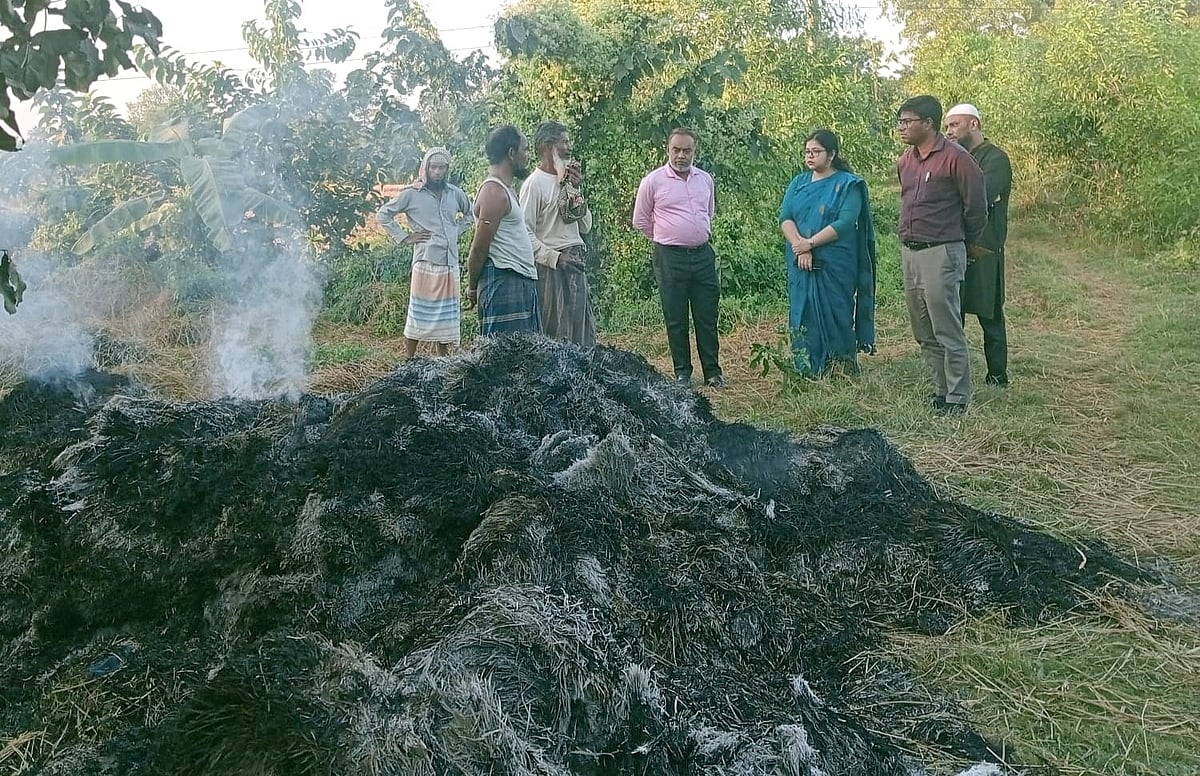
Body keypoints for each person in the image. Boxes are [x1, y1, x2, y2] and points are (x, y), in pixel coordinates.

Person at [896, 95, 988, 416]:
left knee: (947, 326)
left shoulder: (956, 159)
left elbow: (976, 208)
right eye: (901, 122)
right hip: (911, 251)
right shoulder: (905, 161)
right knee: (923, 330)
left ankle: (958, 396)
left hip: (942, 251)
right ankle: (941, 390)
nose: (902, 128)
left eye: (908, 122)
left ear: (928, 124)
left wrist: (961, 244)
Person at [779, 129, 877, 376]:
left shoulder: (847, 184)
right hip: (799, 258)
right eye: (807, 152)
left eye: (816, 152)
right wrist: (799, 246)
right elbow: (786, 217)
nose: (810, 156)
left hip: (835, 261)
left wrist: (810, 243)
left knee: (838, 310)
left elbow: (845, 222)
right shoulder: (799, 183)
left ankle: (839, 367)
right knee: (802, 311)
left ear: (831, 154)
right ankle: (806, 368)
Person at [632, 127, 725, 388]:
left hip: (702, 255)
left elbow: (709, 212)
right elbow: (641, 221)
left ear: (695, 151)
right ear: (668, 149)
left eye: (687, 150)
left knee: (707, 315)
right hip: (669, 257)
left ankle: (713, 372)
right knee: (676, 317)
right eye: (676, 150)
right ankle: (682, 373)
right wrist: (667, 236)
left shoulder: (705, 179)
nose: (681, 155)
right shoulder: (653, 181)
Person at [376, 147, 474, 357]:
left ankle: (443, 360)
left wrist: (456, 231)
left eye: (442, 167)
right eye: (434, 167)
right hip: (426, 262)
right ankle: (409, 359)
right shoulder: (412, 194)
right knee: (419, 313)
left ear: (447, 169)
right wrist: (405, 237)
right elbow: (383, 215)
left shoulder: (454, 194)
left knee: (445, 316)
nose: (438, 172)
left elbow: (470, 214)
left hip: (449, 262)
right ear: (426, 168)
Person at [944, 103, 1013, 387]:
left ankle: (997, 376)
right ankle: (954, 379)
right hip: (954, 245)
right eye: (947, 126)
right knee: (952, 315)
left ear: (973, 124)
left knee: (991, 316)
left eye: (954, 125)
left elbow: (981, 194)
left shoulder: (995, 158)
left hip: (985, 248)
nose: (949, 131)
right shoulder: (951, 157)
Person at [519, 121, 596, 346]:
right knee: (556, 333)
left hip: (575, 260)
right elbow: (525, 234)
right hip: (550, 267)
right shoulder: (533, 185)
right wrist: (556, 258)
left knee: (580, 331)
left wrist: (574, 189)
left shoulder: (569, 181)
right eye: (564, 142)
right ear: (547, 146)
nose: (569, 147)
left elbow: (586, 226)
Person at [465, 125, 541, 335]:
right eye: (524, 150)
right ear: (511, 153)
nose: (527, 156)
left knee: (524, 358)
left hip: (517, 281)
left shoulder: (505, 190)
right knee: (502, 358)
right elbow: (479, 249)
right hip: (503, 283)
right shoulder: (494, 193)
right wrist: (472, 287)